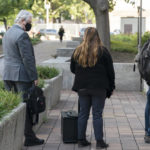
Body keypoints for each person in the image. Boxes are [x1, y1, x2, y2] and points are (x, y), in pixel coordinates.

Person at [2, 10, 44, 146]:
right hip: (21, 75)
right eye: (29, 23)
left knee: (15, 106)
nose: (30, 25)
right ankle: (29, 137)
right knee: (26, 106)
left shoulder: (7, 33)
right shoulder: (22, 35)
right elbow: (28, 59)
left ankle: (17, 137)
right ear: (22, 21)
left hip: (7, 73)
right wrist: (34, 76)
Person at [70, 27, 115, 149]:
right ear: (97, 36)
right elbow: (110, 72)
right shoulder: (103, 51)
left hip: (82, 88)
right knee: (97, 114)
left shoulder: (77, 51)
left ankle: (81, 140)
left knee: (83, 113)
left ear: (84, 36)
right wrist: (111, 86)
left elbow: (73, 69)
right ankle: (99, 142)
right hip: (99, 87)